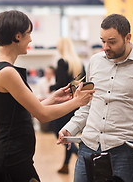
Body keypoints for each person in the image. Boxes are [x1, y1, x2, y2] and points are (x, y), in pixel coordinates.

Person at [58, 14, 133, 182]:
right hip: (88, 146)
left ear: (127, 38)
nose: (105, 47)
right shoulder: (95, 61)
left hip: (124, 152)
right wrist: (70, 128)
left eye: (112, 42)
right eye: (103, 41)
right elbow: (88, 106)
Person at [0, 10, 94, 182]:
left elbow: (21, 111)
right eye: (29, 34)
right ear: (17, 36)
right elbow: (42, 115)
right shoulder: (7, 72)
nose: (31, 39)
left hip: (14, 154)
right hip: (12, 156)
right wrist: (77, 101)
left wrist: (52, 99)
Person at [49, 37, 86, 174]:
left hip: (63, 103)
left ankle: (80, 156)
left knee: (58, 132)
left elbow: (61, 84)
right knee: (68, 134)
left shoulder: (61, 62)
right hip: (75, 103)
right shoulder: (78, 63)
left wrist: (51, 87)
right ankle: (65, 165)